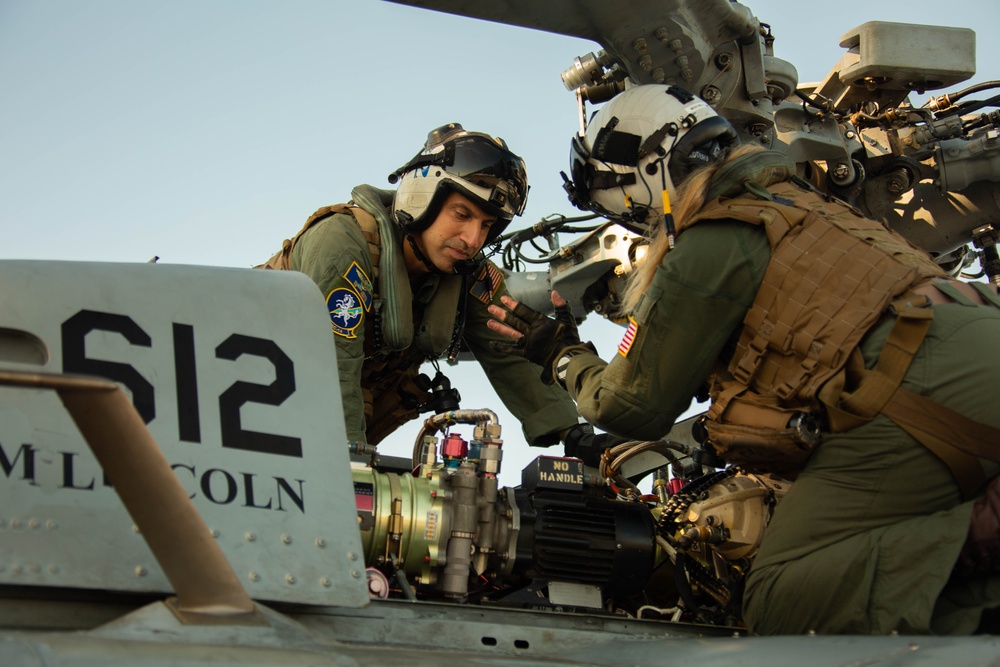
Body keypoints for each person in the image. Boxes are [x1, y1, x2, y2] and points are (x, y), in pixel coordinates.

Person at [487, 84, 1000, 634]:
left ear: (645, 176)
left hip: (915, 397)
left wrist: (557, 351)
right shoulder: (806, 207)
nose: (634, 222)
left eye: (622, 203)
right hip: (976, 338)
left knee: (781, 597)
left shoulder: (711, 240)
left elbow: (629, 407)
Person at [258, 123, 601, 458]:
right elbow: (332, 368)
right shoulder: (344, 243)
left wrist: (576, 435)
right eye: (462, 214)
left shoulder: (466, 272)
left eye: (486, 225)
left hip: (316, 439)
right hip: (262, 415)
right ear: (423, 200)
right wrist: (351, 471)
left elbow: (509, 351)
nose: (473, 240)